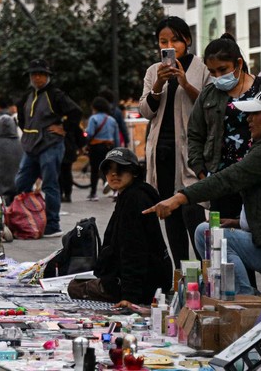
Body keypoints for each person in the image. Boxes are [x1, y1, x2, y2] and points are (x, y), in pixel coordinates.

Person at [146, 88, 261, 295]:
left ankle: (243, 301)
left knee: (208, 234)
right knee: (209, 230)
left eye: (255, 114)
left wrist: (179, 198)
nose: (248, 119)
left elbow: (227, 179)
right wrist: (239, 223)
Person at [137, 16, 209, 264]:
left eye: (175, 39)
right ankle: (181, 273)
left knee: (194, 210)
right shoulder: (152, 71)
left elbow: (209, 107)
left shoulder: (202, 68)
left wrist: (185, 83)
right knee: (169, 211)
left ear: (187, 40)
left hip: (192, 152)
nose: (170, 45)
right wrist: (158, 82)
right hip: (162, 152)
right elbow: (146, 111)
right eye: (163, 41)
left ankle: (205, 273)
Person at [188, 33, 261, 223]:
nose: (218, 77)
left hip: (259, 178)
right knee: (221, 238)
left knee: (259, 230)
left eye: (223, 70)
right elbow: (195, 135)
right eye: (212, 72)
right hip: (221, 181)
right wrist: (201, 171)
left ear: (238, 63)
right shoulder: (208, 95)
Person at [68, 148, 172, 305]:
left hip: (143, 286)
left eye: (120, 169)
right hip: (151, 281)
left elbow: (134, 251)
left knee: (74, 287)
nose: (114, 174)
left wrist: (129, 297)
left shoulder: (133, 200)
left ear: (134, 172)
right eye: (108, 170)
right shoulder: (132, 194)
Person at [14, 58, 81, 238]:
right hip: (30, 148)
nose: (37, 78)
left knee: (50, 184)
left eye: (41, 74)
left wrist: (64, 129)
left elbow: (76, 112)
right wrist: (28, 134)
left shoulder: (55, 94)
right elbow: (21, 119)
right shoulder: (26, 96)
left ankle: (52, 225)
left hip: (50, 146)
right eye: (34, 74)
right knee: (21, 184)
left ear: (47, 76)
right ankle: (26, 219)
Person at [85, 97, 121, 201]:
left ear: (95, 107)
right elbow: (116, 137)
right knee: (110, 169)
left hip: (96, 147)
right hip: (109, 147)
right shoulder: (112, 120)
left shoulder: (93, 118)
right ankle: (115, 192)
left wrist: (86, 141)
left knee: (95, 170)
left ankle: (93, 194)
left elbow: (90, 133)